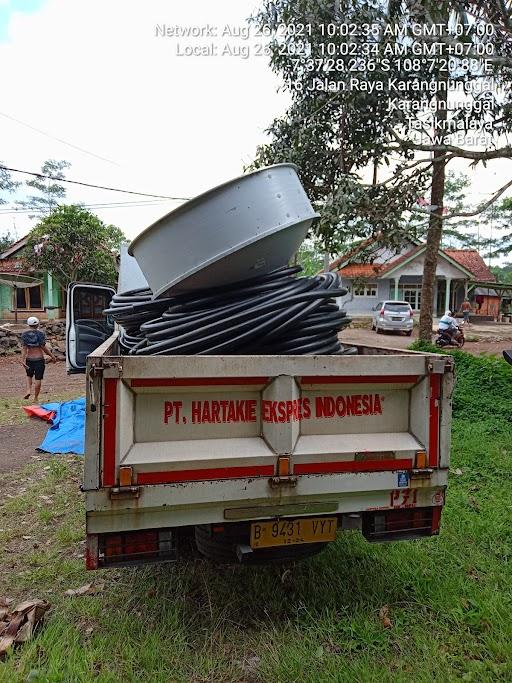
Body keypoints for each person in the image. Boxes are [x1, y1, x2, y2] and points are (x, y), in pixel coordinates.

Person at [20, 316, 57, 401]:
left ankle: (28, 390)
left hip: (29, 359)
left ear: (28, 324)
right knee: (38, 378)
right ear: (37, 324)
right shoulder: (40, 334)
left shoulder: (24, 334)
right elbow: (43, 347)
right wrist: (52, 356)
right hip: (39, 359)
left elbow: (24, 348)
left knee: (29, 375)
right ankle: (36, 398)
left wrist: (22, 360)